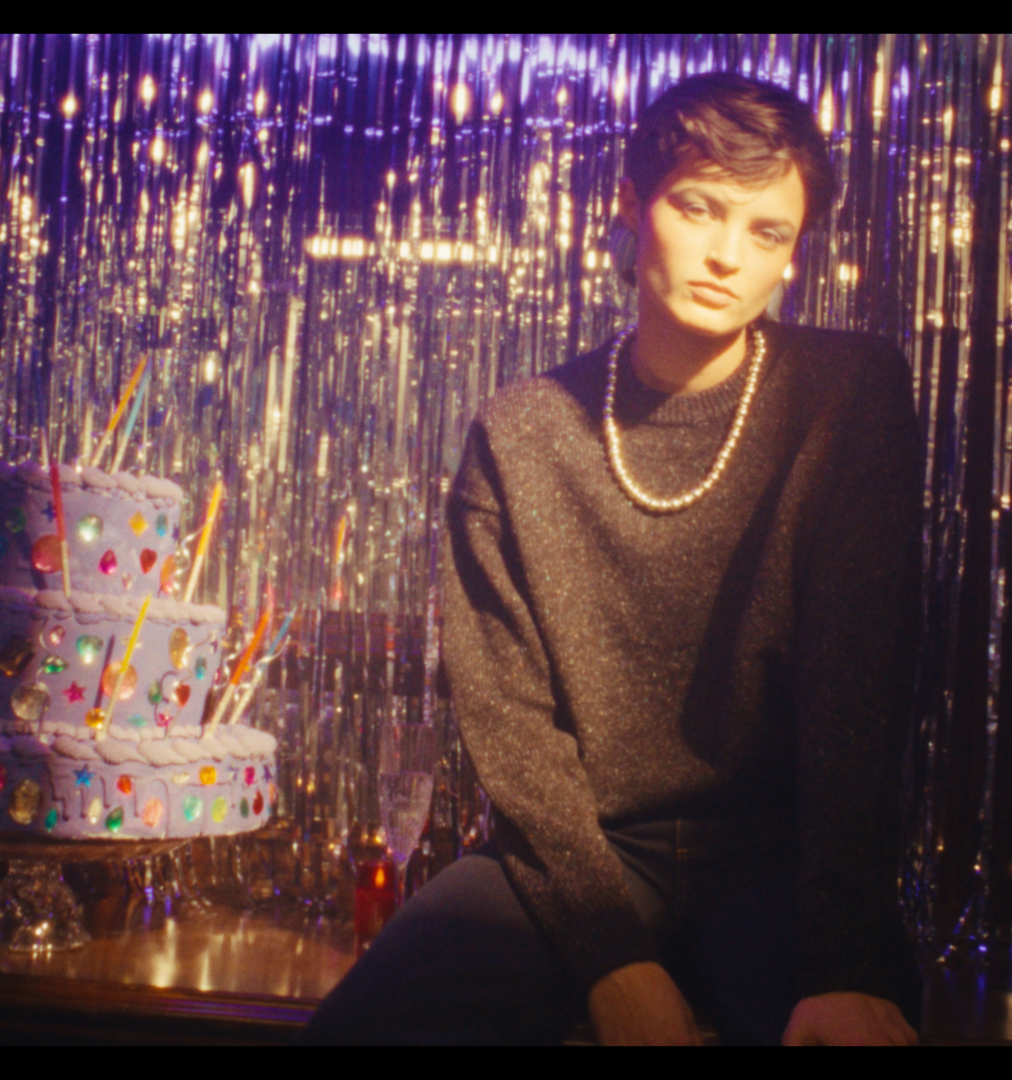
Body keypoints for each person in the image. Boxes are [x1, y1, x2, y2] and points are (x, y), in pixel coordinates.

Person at [299, 71, 922, 1046]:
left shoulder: (850, 396)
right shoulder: (522, 432)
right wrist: (613, 959)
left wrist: (844, 957)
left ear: (794, 256)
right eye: (698, 207)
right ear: (630, 206)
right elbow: (511, 724)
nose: (725, 254)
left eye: (766, 232)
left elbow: (857, 693)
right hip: (578, 856)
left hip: (776, 863)